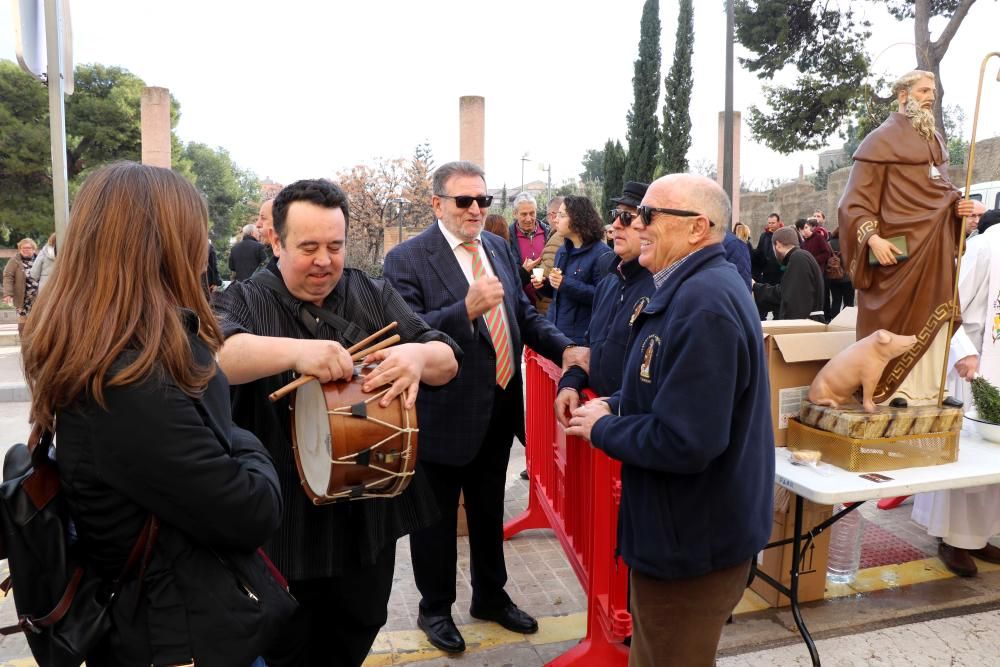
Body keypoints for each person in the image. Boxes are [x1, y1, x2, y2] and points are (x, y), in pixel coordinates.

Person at [20, 161, 287, 665]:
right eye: (194, 237)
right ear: (164, 250)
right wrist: (236, 433)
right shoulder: (128, 384)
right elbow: (252, 512)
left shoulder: (101, 353)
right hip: (178, 635)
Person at [214, 178, 460, 667]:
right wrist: (300, 352)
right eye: (308, 247)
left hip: (363, 517)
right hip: (282, 521)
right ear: (276, 241)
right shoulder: (242, 299)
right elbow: (215, 354)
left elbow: (446, 358)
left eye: (335, 245)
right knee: (286, 644)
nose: (324, 261)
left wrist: (415, 355)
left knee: (360, 625)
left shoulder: (370, 293)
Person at [566, 173, 773, 667]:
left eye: (650, 214)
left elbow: (687, 440)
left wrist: (603, 429)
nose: (637, 224)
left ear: (698, 227)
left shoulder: (704, 303)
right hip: (681, 534)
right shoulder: (689, 289)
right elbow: (668, 386)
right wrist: (617, 404)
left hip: (693, 544)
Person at [382, 161, 584, 655]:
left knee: (489, 511)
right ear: (437, 204)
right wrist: (464, 310)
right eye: (464, 201)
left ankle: (490, 597)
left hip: (498, 405)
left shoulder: (496, 247)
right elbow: (406, 330)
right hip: (442, 412)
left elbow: (521, 319)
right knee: (434, 522)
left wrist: (566, 350)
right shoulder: (407, 259)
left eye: (483, 200)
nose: (475, 210)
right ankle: (435, 608)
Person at [839, 69, 976, 407]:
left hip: (934, 247)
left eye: (934, 90)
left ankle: (930, 390)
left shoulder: (936, 142)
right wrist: (872, 239)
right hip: (897, 253)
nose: (931, 96)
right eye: (924, 90)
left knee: (936, 311)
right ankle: (893, 389)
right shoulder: (878, 142)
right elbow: (853, 203)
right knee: (893, 322)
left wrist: (958, 206)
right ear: (903, 95)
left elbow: (938, 191)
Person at [913, 209, 1000, 576]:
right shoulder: (986, 247)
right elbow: (947, 303)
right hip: (977, 364)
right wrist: (962, 349)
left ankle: (983, 536)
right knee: (967, 455)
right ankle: (954, 538)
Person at [555, 180, 654, 420]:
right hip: (599, 427)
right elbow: (589, 349)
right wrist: (570, 383)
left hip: (629, 430)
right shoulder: (609, 283)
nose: (616, 224)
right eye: (616, 215)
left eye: (628, 217)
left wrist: (613, 408)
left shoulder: (661, 288)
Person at [531, 195, 613, 344]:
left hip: (582, 341)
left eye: (561, 215)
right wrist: (544, 285)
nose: (555, 219)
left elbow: (603, 298)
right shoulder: (563, 250)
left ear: (577, 219)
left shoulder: (602, 254)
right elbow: (558, 294)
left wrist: (565, 283)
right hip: (557, 335)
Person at [752, 227, 826, 322]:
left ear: (777, 245)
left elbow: (791, 301)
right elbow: (786, 292)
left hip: (806, 326)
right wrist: (756, 287)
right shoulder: (801, 256)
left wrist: (756, 288)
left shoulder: (798, 258)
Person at [507, 192, 549, 307]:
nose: (529, 218)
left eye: (532, 213)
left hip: (546, 304)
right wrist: (523, 270)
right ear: (515, 214)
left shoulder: (548, 233)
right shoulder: (507, 237)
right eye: (524, 214)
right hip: (521, 303)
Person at [3, 237, 38, 338]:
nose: (25, 250)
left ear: (33, 249)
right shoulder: (14, 261)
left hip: (38, 298)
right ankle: (24, 344)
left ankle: (35, 345)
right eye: (23, 248)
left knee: (37, 321)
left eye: (28, 248)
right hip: (22, 298)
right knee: (23, 322)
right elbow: (8, 276)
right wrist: (8, 294)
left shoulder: (39, 260)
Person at [751, 213, 783, 319]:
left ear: (778, 222)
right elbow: (759, 252)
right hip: (766, 274)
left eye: (773, 223)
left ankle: (778, 320)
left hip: (780, 274)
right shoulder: (764, 236)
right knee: (763, 299)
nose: (771, 225)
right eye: (769, 223)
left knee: (778, 300)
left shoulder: (784, 234)